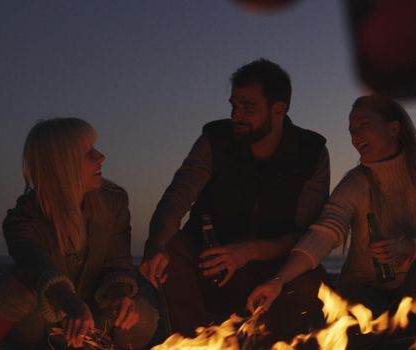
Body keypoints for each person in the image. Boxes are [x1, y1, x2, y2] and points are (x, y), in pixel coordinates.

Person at [138, 58, 331, 345]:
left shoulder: (311, 152)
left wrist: (249, 251)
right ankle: (196, 341)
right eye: (233, 106)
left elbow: (306, 235)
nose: (236, 115)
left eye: (247, 107)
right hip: (208, 257)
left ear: (279, 109)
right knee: (169, 255)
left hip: (269, 263)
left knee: (308, 279)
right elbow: (175, 198)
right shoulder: (214, 139)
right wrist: (157, 245)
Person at [248, 94, 416, 336]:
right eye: (351, 130)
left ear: (394, 128)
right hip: (364, 289)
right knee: (355, 329)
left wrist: (408, 247)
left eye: (363, 126)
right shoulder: (357, 182)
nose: (355, 136)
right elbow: (324, 233)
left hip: (414, 291)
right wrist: (278, 280)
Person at [0, 118, 158, 349]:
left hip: (89, 322)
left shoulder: (113, 201)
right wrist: (72, 305)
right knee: (10, 289)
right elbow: (38, 268)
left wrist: (120, 295)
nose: (101, 157)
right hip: (40, 322)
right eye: (89, 153)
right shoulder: (23, 218)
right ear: (61, 165)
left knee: (142, 315)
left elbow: (117, 263)